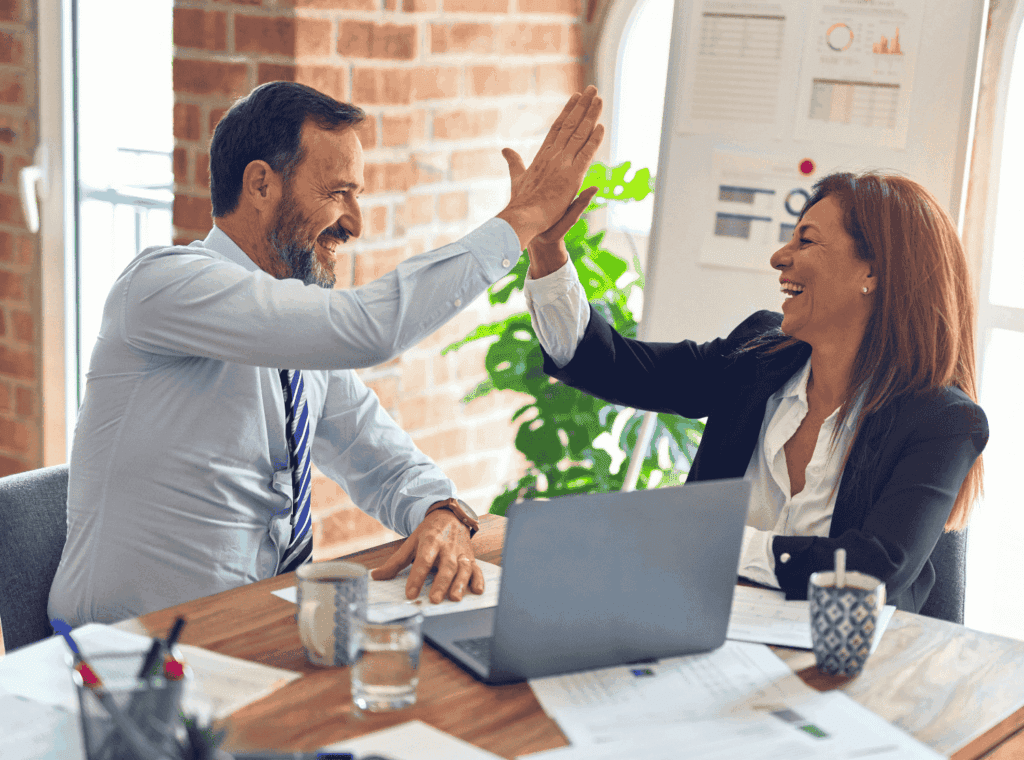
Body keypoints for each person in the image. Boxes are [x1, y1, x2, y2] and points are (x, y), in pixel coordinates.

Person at [49, 81, 603, 626]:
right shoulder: (162, 286)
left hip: (251, 632)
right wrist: (522, 219)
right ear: (261, 185)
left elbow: (381, 458)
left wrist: (442, 511)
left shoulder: (297, 338)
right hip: (122, 655)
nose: (355, 224)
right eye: (339, 192)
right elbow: (369, 329)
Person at [521, 171, 987, 612]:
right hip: (701, 630)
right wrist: (546, 249)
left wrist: (712, 540)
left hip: (849, 671)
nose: (779, 257)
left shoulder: (941, 421)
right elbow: (615, 366)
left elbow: (873, 569)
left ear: (873, 273)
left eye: (806, 240)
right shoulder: (757, 356)